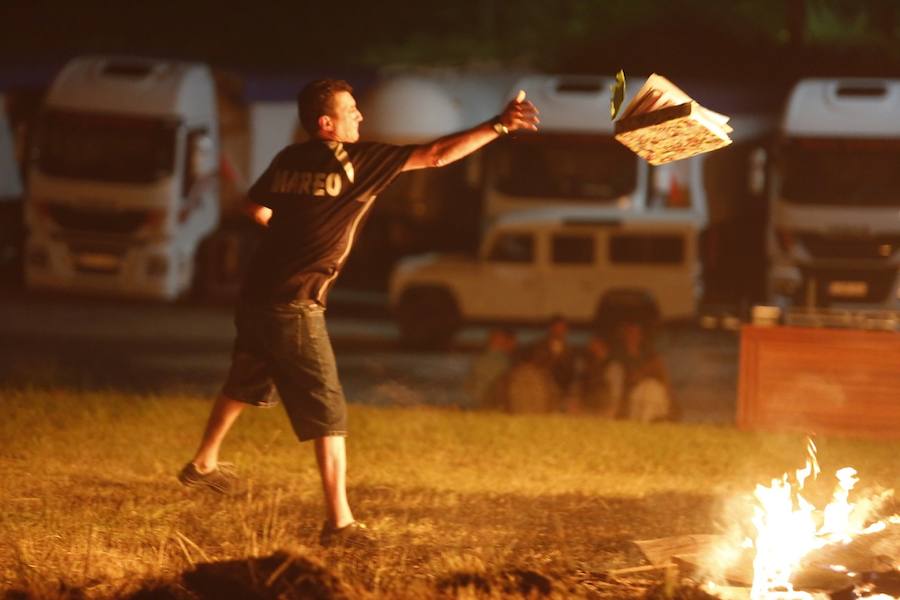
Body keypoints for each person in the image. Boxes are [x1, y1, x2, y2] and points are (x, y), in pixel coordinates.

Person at [177, 79, 539, 547]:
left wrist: (287, 231)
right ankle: (340, 525)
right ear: (327, 124)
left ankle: (203, 462)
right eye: (351, 111)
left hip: (257, 296)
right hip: (295, 303)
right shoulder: (358, 162)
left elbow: (252, 206)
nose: (360, 117)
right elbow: (437, 154)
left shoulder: (289, 160)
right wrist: (498, 126)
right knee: (328, 411)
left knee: (245, 380)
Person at [607, 321, 673, 422]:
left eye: (636, 333)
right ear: (624, 335)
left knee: (651, 389)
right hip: (628, 393)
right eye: (630, 333)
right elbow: (621, 377)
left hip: (648, 391)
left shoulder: (649, 355)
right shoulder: (618, 356)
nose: (633, 336)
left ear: (640, 336)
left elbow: (660, 371)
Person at [465, 326, 517, 409]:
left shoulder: (478, 361)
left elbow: (468, 387)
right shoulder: (505, 363)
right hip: (492, 407)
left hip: (475, 406)